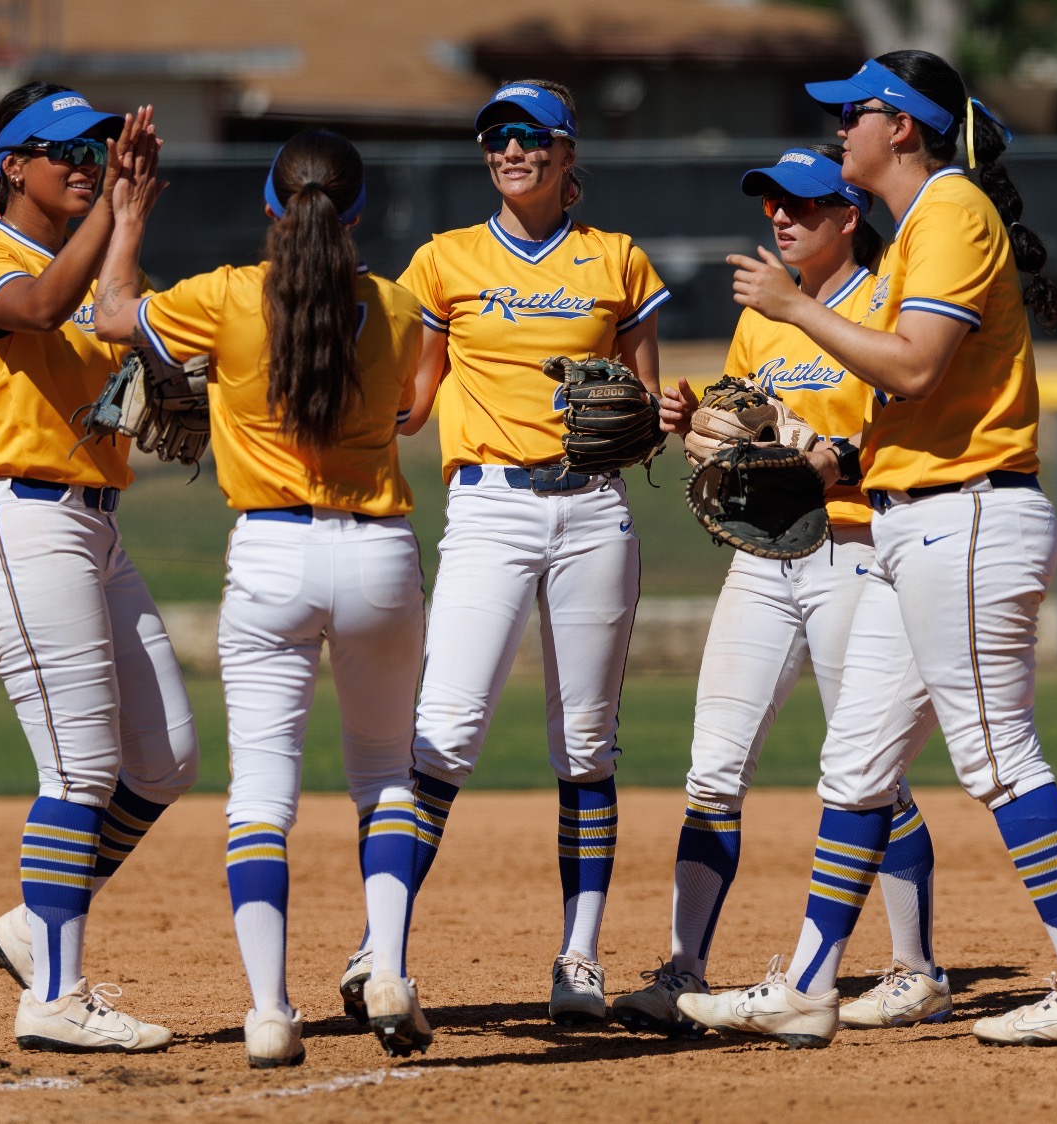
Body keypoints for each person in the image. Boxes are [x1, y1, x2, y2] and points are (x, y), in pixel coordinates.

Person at [679, 50, 1057, 1049]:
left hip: (967, 519)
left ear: (901, 126)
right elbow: (897, 403)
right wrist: (823, 456)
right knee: (852, 762)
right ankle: (806, 982)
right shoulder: (920, 230)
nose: (837, 127)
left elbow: (919, 367)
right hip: (906, 516)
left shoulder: (949, 210)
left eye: (853, 112)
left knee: (995, 755)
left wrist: (794, 307)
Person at [90, 129, 435, 1065]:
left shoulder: (226, 296)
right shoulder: (398, 307)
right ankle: (391, 965)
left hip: (273, 553)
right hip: (377, 554)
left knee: (260, 798)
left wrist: (125, 220)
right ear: (358, 214)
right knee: (387, 778)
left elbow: (110, 314)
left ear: (272, 210)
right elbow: (413, 407)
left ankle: (270, 1012)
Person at [611, 145, 950, 1036]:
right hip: (763, 558)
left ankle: (916, 970)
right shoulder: (762, 317)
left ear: (849, 215)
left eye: (802, 204)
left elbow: (917, 417)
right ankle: (682, 969)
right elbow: (737, 439)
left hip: (857, 549)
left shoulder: (888, 298)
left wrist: (831, 455)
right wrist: (700, 429)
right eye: (771, 205)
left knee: (869, 769)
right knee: (712, 769)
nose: (781, 219)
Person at [360, 78, 669, 1026]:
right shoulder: (443, 263)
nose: (512, 147)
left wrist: (658, 419)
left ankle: (579, 959)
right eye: (497, 134)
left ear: (569, 152)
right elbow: (412, 406)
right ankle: (384, 953)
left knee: (585, 746)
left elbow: (646, 417)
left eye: (533, 134)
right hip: (488, 507)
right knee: (443, 733)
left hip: (590, 511)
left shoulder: (616, 261)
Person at [0, 84, 196, 1053]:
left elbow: (114, 323)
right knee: (80, 766)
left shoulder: (89, 249)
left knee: (166, 755)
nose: (84, 162)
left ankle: (32, 920)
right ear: (9, 164)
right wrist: (116, 215)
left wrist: (126, 229)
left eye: (96, 148)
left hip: (94, 526)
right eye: (61, 151)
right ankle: (53, 992)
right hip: (23, 525)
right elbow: (47, 310)